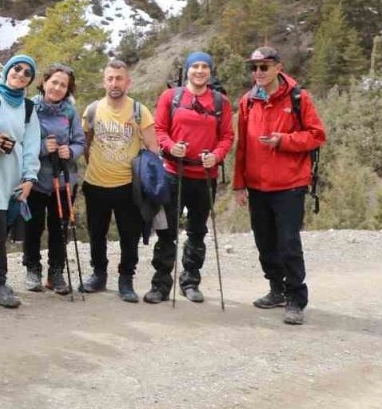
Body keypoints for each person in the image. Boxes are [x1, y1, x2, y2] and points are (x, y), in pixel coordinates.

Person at [233, 47, 326, 326]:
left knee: (288, 244)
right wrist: (239, 184)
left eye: (264, 67)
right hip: (258, 186)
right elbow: (243, 148)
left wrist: (283, 141)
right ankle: (276, 290)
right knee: (264, 242)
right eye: (254, 68)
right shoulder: (247, 102)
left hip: (290, 184)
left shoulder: (298, 98)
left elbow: (316, 136)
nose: (258, 73)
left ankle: (296, 298)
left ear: (278, 67)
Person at [144, 52, 234, 305]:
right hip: (173, 173)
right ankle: (160, 284)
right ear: (187, 70)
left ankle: (190, 281)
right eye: (195, 66)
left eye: (205, 66)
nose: (200, 70)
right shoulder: (170, 98)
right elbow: (159, 129)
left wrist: (215, 156)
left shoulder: (220, 102)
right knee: (166, 230)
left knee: (197, 231)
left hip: (205, 175)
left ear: (210, 71)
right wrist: (172, 147)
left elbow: (227, 136)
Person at [81, 59, 159, 303]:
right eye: (110, 78)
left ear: (128, 82)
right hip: (95, 183)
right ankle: (99, 274)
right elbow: (86, 143)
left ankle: (126, 279)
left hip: (127, 186)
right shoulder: (92, 110)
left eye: (119, 78)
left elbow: (153, 148)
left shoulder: (139, 111)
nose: (114, 83)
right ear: (104, 81)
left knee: (129, 234)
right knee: (97, 233)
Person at [23, 64, 87, 295]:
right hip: (36, 179)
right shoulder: (29, 106)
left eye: (63, 85)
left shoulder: (69, 112)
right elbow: (20, 140)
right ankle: (32, 268)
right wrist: (42, 147)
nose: (58, 88)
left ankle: (56, 271)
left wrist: (69, 151)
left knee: (60, 228)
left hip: (63, 178)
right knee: (34, 226)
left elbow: (80, 142)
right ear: (45, 82)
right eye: (54, 82)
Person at [0, 55, 41, 309]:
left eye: (26, 73)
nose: (20, 74)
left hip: (15, 175)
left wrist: (30, 178)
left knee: (4, 227)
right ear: (7, 70)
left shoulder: (29, 108)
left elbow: (31, 145)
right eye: (16, 69)